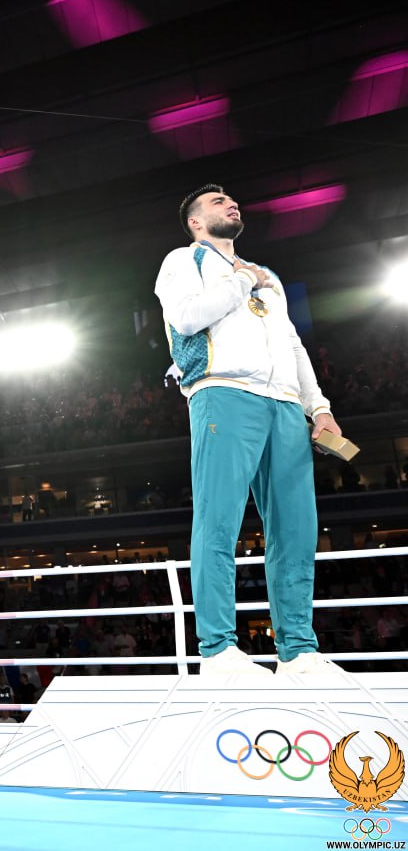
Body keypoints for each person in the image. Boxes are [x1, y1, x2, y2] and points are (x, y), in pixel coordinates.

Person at [156, 185, 343, 676]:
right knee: (218, 522)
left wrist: (319, 407)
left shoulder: (269, 277)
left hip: (285, 403)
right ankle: (218, 650)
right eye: (217, 203)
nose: (230, 204)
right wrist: (242, 281)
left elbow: (293, 344)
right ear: (196, 222)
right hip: (223, 392)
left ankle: (298, 652)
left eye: (232, 200)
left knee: (296, 529)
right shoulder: (184, 260)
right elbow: (186, 318)